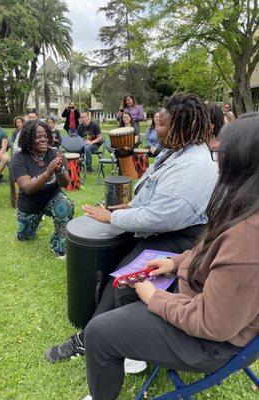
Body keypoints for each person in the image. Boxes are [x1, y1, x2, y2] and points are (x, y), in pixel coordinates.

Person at [82, 112, 259, 400]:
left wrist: (155, 297)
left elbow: (212, 323)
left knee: (98, 333)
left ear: (242, 162)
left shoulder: (249, 241)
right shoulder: (243, 205)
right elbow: (211, 252)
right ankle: (134, 353)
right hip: (197, 296)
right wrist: (174, 262)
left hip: (209, 342)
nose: (216, 155)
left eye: (222, 151)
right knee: (130, 285)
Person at [45, 93, 218, 362]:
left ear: (179, 127)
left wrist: (111, 218)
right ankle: (96, 332)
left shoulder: (193, 166)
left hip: (179, 240)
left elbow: (158, 217)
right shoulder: (178, 152)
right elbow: (151, 197)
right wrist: (123, 209)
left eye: (161, 124)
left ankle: (90, 340)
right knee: (118, 271)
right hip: (164, 231)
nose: (156, 128)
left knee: (123, 280)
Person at [10, 120, 74, 259]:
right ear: (28, 139)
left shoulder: (55, 153)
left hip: (52, 198)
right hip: (30, 205)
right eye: (38, 137)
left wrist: (59, 171)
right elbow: (28, 188)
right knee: (25, 237)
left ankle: (59, 245)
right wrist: (48, 172)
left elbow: (65, 183)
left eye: (45, 136)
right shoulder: (18, 159)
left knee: (65, 205)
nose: (43, 139)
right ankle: (35, 223)